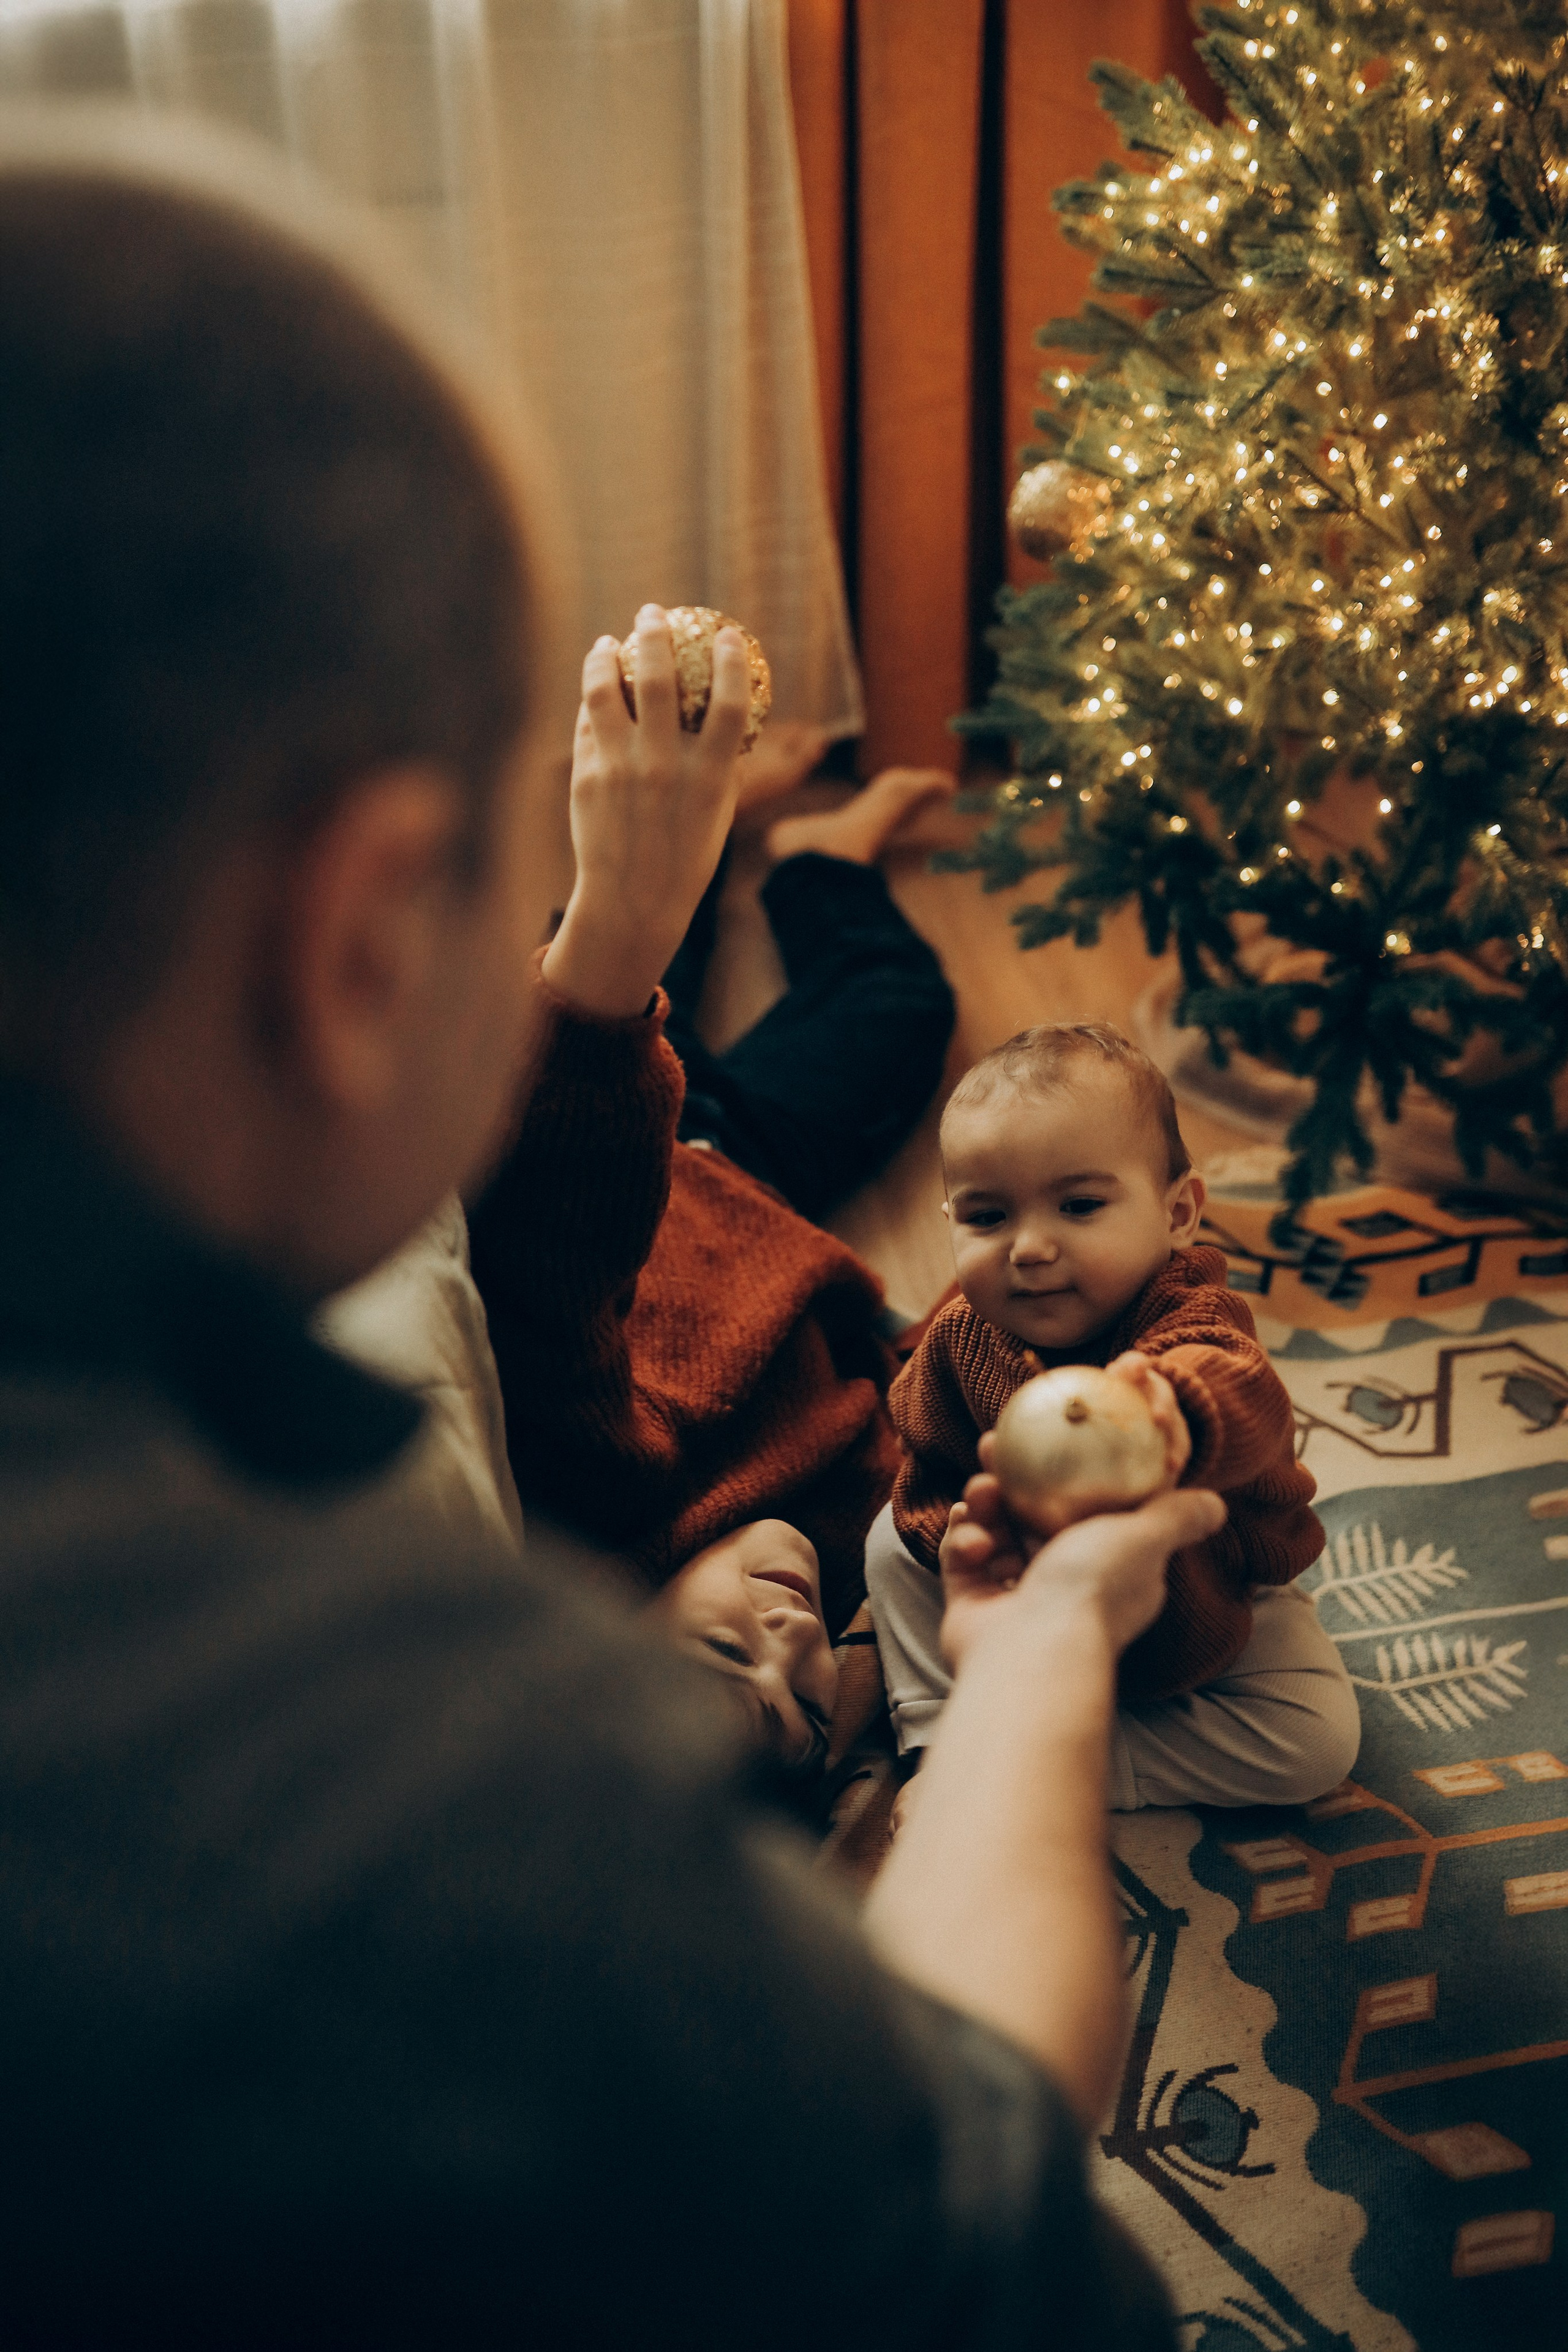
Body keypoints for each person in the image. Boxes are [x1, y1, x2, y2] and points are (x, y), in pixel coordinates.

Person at [0, 107, 1223, 2346]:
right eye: (518, 868)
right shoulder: (440, 1800)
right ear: (360, 937)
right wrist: (1046, 1634)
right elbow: (984, 2208)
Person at [466, 722, 956, 1648]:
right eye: (808, 1710)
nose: (788, 1642)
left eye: (733, 1654)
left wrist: (610, 955)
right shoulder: (865, 1557)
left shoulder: (603, 1495)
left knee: (642, 956)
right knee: (901, 1006)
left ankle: (718, 813)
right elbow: (942, 1371)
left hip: (629, 1136)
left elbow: (554, 1245)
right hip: (751, 1176)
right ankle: (823, 861)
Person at [872, 1023, 1360, 1812]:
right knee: (886, 1544)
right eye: (987, 1217)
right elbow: (924, 1454)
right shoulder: (959, 1339)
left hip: (1205, 1592)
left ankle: (1070, 1762)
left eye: (1079, 1205)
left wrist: (1173, 1410)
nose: (1029, 1247)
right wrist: (954, 1529)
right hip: (1019, 1599)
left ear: (1177, 1214)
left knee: (1318, 1741)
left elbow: (1239, 1387)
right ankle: (941, 1735)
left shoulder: (1192, 1315)